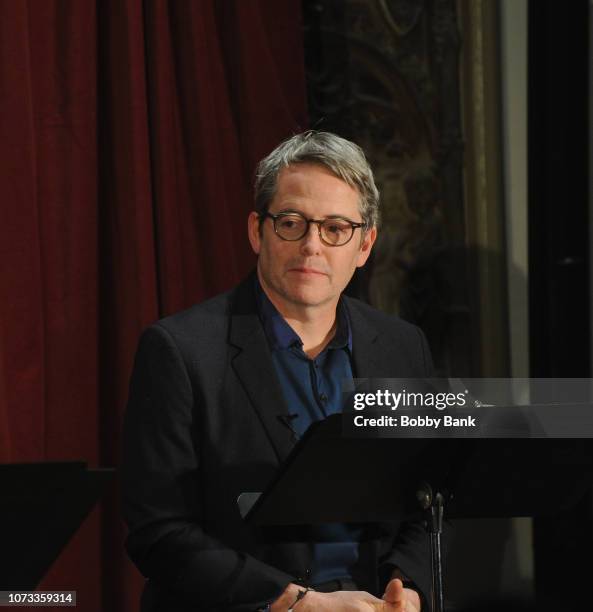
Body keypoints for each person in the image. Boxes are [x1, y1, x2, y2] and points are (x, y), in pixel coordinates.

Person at [122, 131, 435, 612]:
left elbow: (428, 500)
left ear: (365, 243)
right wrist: (295, 603)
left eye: (335, 228)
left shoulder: (402, 347)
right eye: (291, 222)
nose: (312, 245)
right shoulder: (180, 351)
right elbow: (159, 533)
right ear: (257, 230)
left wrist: (407, 586)